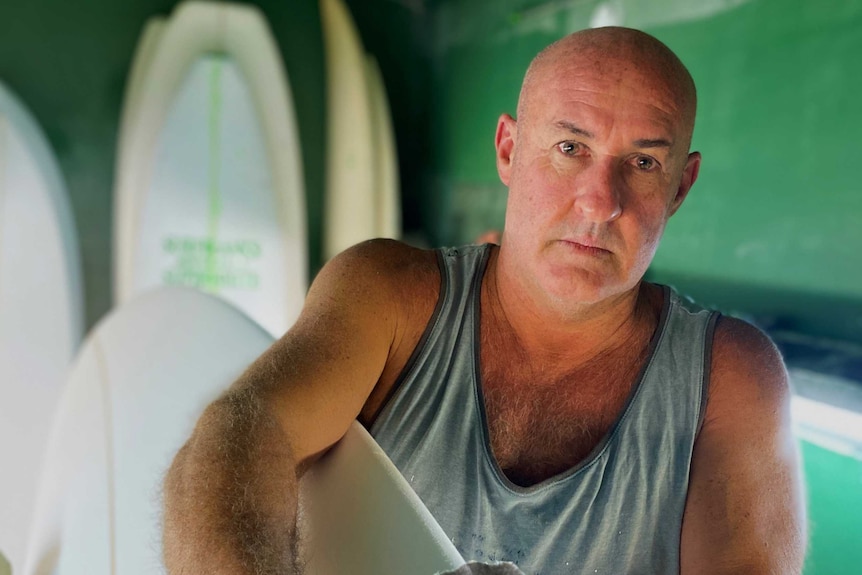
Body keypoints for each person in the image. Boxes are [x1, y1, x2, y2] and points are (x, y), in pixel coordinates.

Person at [162, 26, 806, 574]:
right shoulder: (392, 297)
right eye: (569, 147)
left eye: (641, 164)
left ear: (680, 186)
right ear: (508, 148)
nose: (599, 202)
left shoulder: (730, 379)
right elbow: (242, 434)